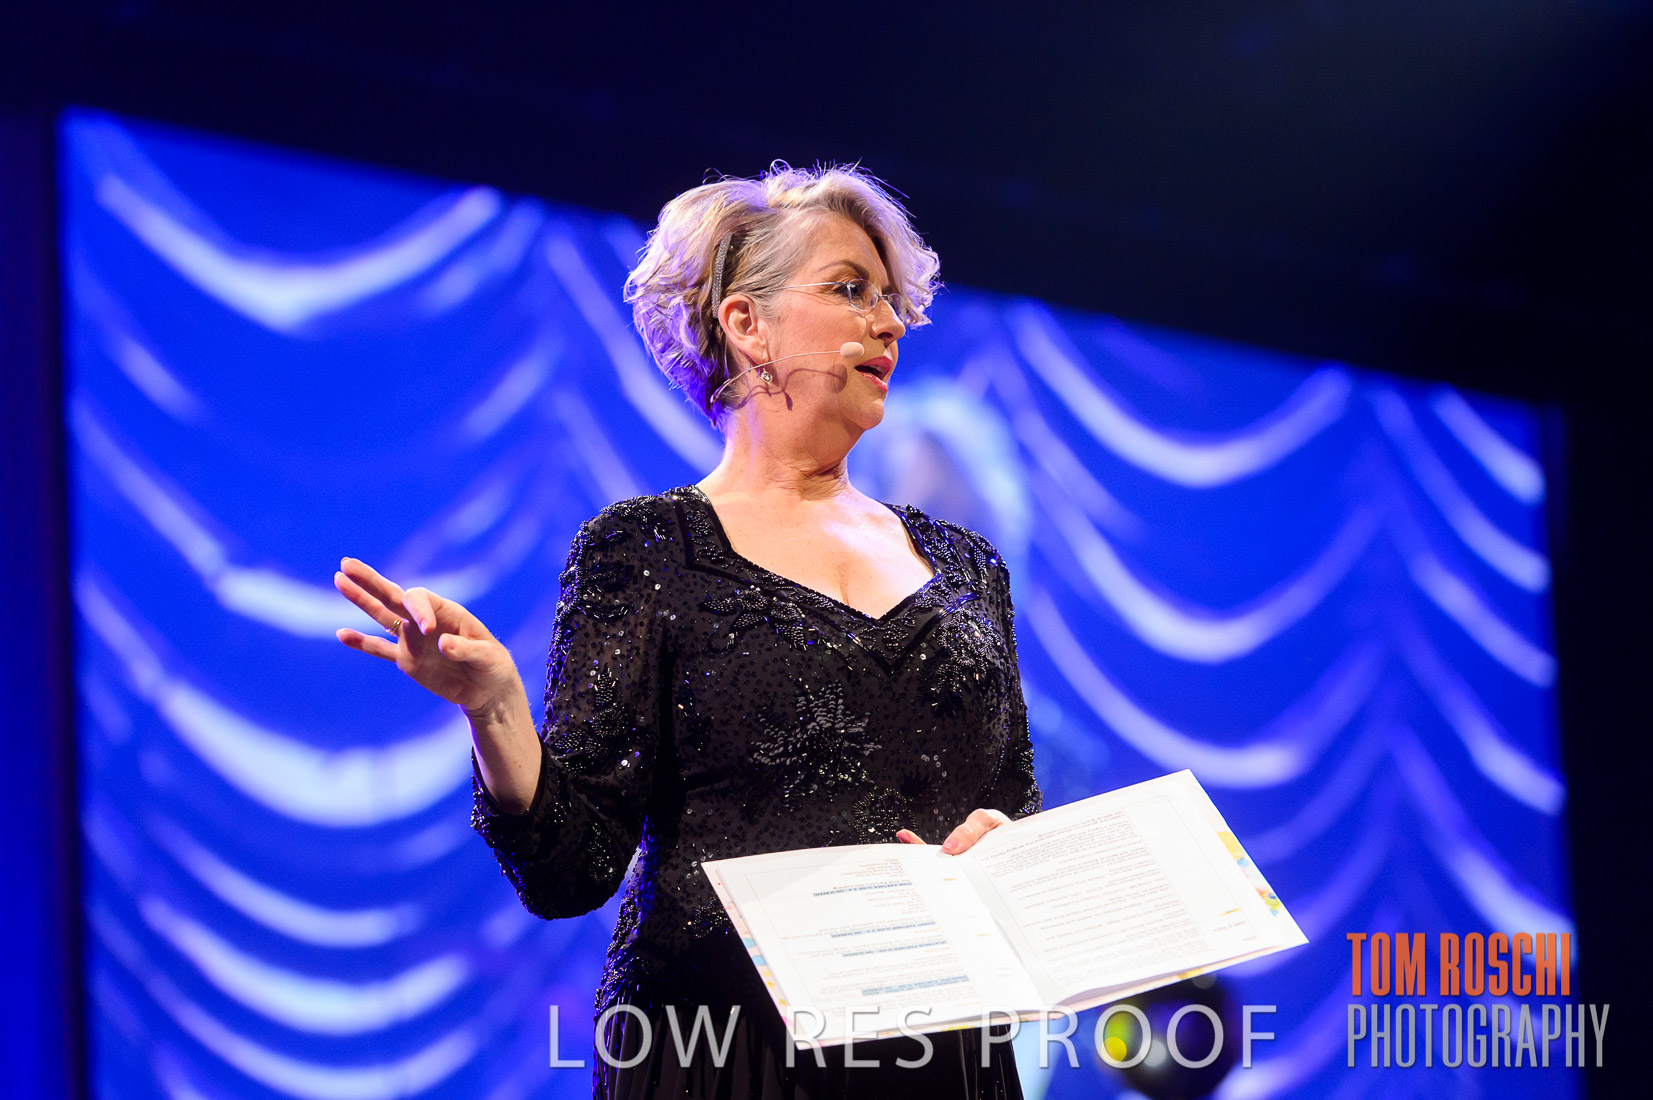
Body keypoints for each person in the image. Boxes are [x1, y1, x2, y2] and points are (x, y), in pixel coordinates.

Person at [333, 163, 1041, 1099]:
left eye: (891, 299)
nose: (889, 323)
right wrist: (494, 706)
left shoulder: (966, 568)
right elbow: (573, 869)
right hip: (719, 1055)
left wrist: (1004, 850)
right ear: (746, 323)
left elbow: (1014, 808)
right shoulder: (645, 550)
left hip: (935, 1060)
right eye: (849, 290)